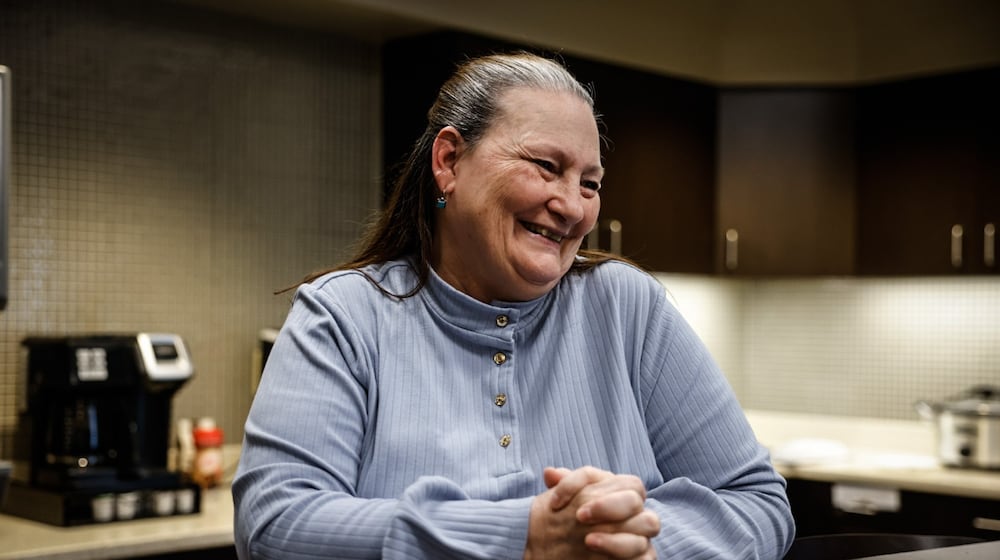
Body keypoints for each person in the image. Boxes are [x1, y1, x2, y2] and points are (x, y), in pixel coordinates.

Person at [233, 52, 795, 559]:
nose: (572, 205)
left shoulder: (628, 307)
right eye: (546, 167)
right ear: (449, 161)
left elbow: (757, 503)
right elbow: (275, 525)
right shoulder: (345, 316)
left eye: (591, 184)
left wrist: (615, 542)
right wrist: (520, 535)